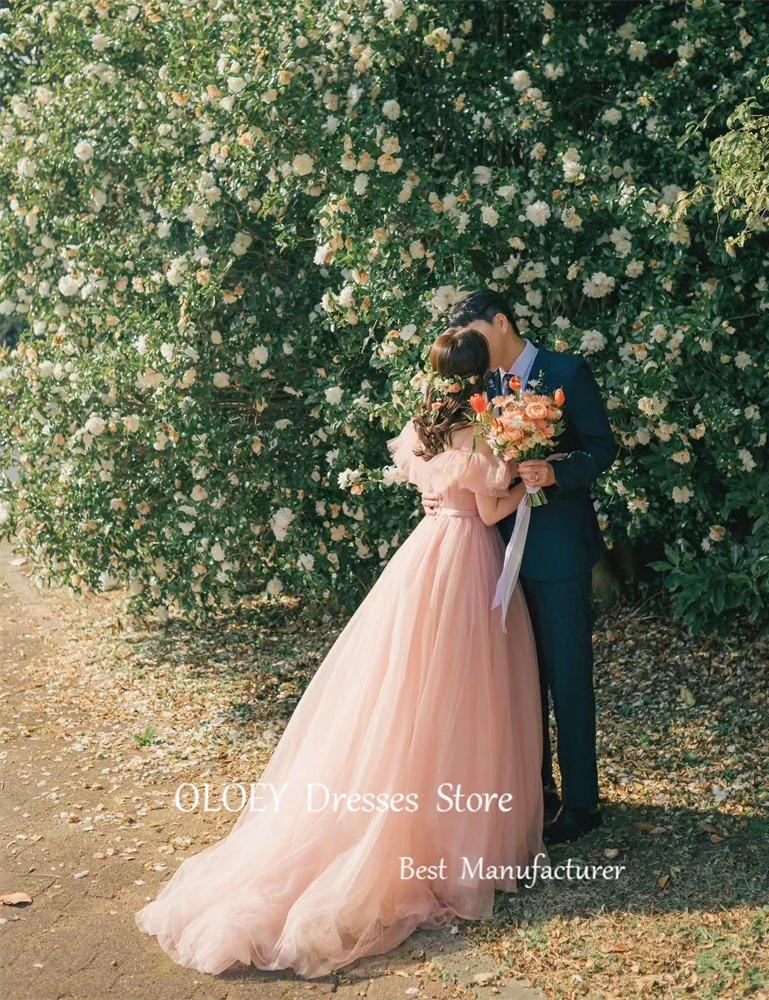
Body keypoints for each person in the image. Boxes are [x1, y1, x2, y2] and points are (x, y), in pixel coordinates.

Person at [135, 327, 549, 979]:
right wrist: (525, 480)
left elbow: (439, 491)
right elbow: (492, 508)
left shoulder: (422, 430)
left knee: (409, 688)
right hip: (466, 558)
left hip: (422, 560)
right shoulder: (484, 432)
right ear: (480, 376)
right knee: (466, 692)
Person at [422, 289, 617, 844]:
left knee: (568, 676)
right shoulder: (473, 383)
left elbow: (602, 447)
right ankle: (536, 793)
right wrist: (438, 496)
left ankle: (583, 804)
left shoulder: (566, 371)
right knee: (514, 680)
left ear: (501, 322)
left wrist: (557, 473)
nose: (472, 350)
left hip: (557, 553)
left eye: (478, 336)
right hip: (488, 554)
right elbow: (449, 454)